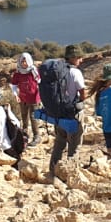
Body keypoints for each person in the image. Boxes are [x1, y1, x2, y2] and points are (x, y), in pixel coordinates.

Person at [42, 46, 88, 178]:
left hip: (57, 112)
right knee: (75, 145)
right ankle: (71, 174)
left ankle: (52, 171)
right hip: (72, 113)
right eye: (79, 57)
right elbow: (83, 94)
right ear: (73, 58)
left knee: (59, 143)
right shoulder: (75, 72)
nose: (81, 59)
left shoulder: (57, 71)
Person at [9, 53, 42, 144]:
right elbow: (14, 85)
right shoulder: (18, 73)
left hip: (34, 98)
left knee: (33, 117)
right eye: (22, 61)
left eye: (25, 61)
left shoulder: (33, 71)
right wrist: (16, 95)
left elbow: (39, 82)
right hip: (23, 98)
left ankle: (37, 136)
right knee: (24, 116)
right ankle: (24, 134)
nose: (24, 64)